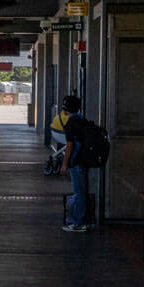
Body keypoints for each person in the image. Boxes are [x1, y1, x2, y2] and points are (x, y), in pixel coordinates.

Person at [58, 95, 91, 232]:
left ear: (66, 109)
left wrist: (64, 164)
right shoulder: (83, 120)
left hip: (76, 162)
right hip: (84, 160)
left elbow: (70, 145)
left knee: (78, 192)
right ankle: (84, 220)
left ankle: (78, 223)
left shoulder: (71, 123)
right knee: (82, 191)